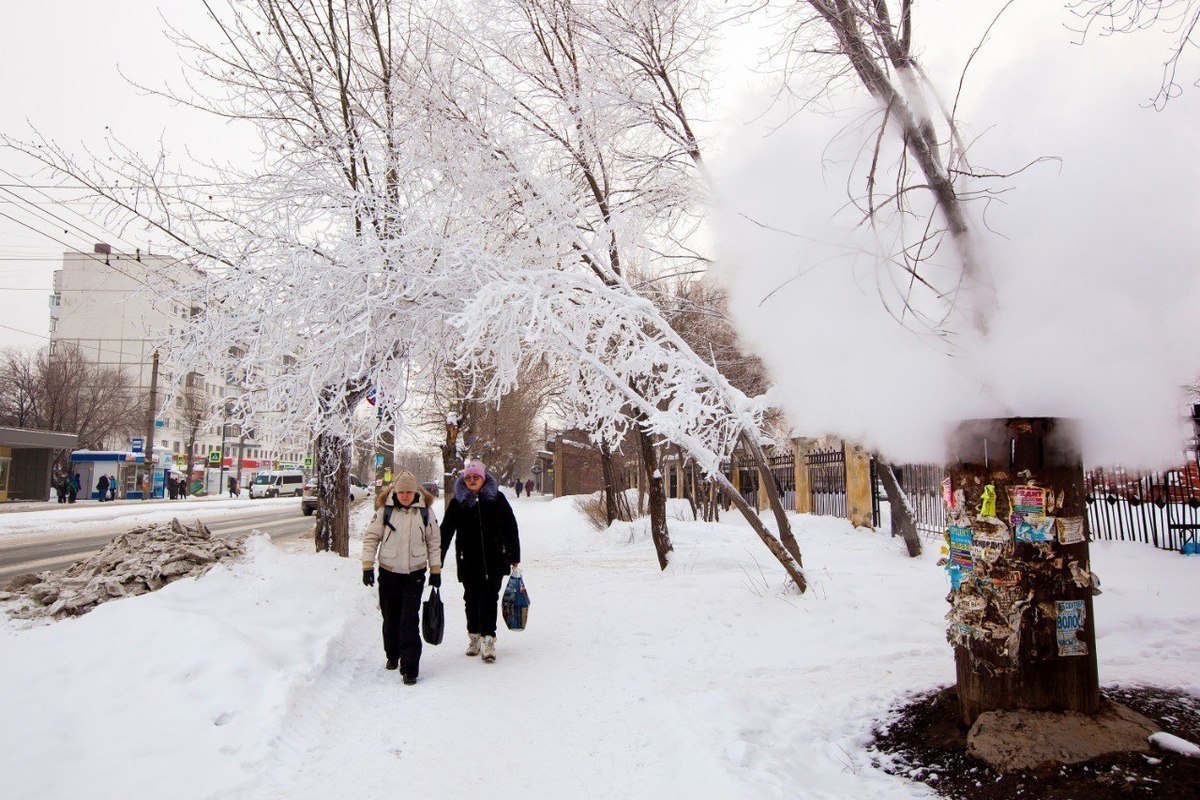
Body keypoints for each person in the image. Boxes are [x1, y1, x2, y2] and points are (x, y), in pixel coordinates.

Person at [361, 471, 442, 685]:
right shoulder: (385, 510)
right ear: (395, 492)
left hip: (415, 573)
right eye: (401, 492)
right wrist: (367, 566)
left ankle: (410, 667)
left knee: (409, 619)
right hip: (388, 571)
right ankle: (392, 653)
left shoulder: (425, 512)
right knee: (391, 617)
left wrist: (435, 571)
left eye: (409, 492)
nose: (405, 496)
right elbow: (371, 538)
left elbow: (434, 542)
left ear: (415, 492)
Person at [440, 459, 520, 663]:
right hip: (468, 560)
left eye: (476, 477)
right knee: (471, 599)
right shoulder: (458, 502)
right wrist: (437, 558)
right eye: (469, 477)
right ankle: (474, 636)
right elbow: (446, 531)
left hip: (494, 559)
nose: (472, 480)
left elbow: (510, 527)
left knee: (489, 598)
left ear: (483, 479)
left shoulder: (497, 499)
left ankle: (488, 639)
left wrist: (514, 555)